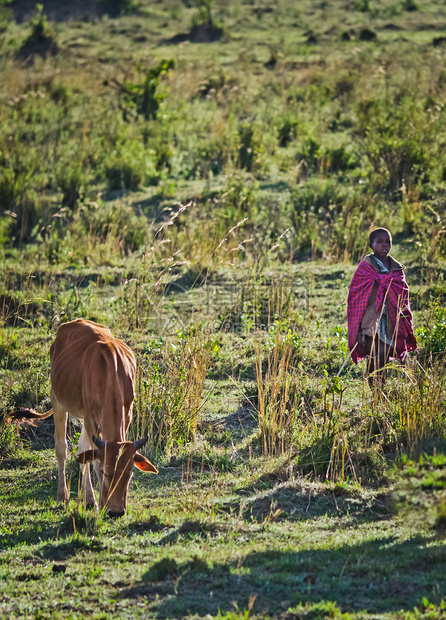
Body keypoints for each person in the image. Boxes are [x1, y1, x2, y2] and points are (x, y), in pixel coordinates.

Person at [347, 228, 417, 387]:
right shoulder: (366, 267)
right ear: (371, 244)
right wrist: (380, 282)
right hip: (370, 320)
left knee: (384, 354)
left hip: (390, 320)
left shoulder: (396, 269)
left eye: (388, 241)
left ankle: (381, 387)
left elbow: (402, 293)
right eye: (380, 241)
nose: (385, 245)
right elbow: (356, 295)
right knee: (373, 354)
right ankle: (374, 388)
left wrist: (388, 284)